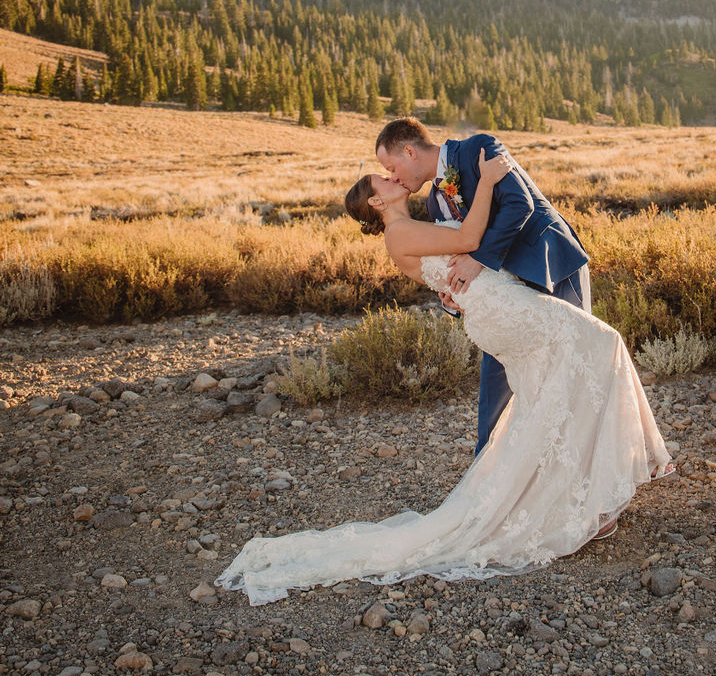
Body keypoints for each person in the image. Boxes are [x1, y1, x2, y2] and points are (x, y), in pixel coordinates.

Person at [215, 151, 672, 605]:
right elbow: (471, 236)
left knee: (550, 392)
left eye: (391, 171)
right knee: (599, 345)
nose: (394, 178)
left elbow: (456, 264)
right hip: (504, 311)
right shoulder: (399, 232)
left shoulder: (414, 223)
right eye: (385, 180)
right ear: (377, 204)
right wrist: (489, 180)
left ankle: (584, 497)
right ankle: (590, 492)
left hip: (498, 305)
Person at [375, 117, 591, 455]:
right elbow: (451, 253)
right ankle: (487, 474)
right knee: (496, 382)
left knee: (575, 366)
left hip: (548, 265)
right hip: (501, 295)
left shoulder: (480, 147)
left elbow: (521, 204)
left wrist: (479, 260)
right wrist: (452, 297)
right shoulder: (434, 203)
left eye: (391, 166)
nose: (394, 177)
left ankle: (596, 459)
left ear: (408, 151)